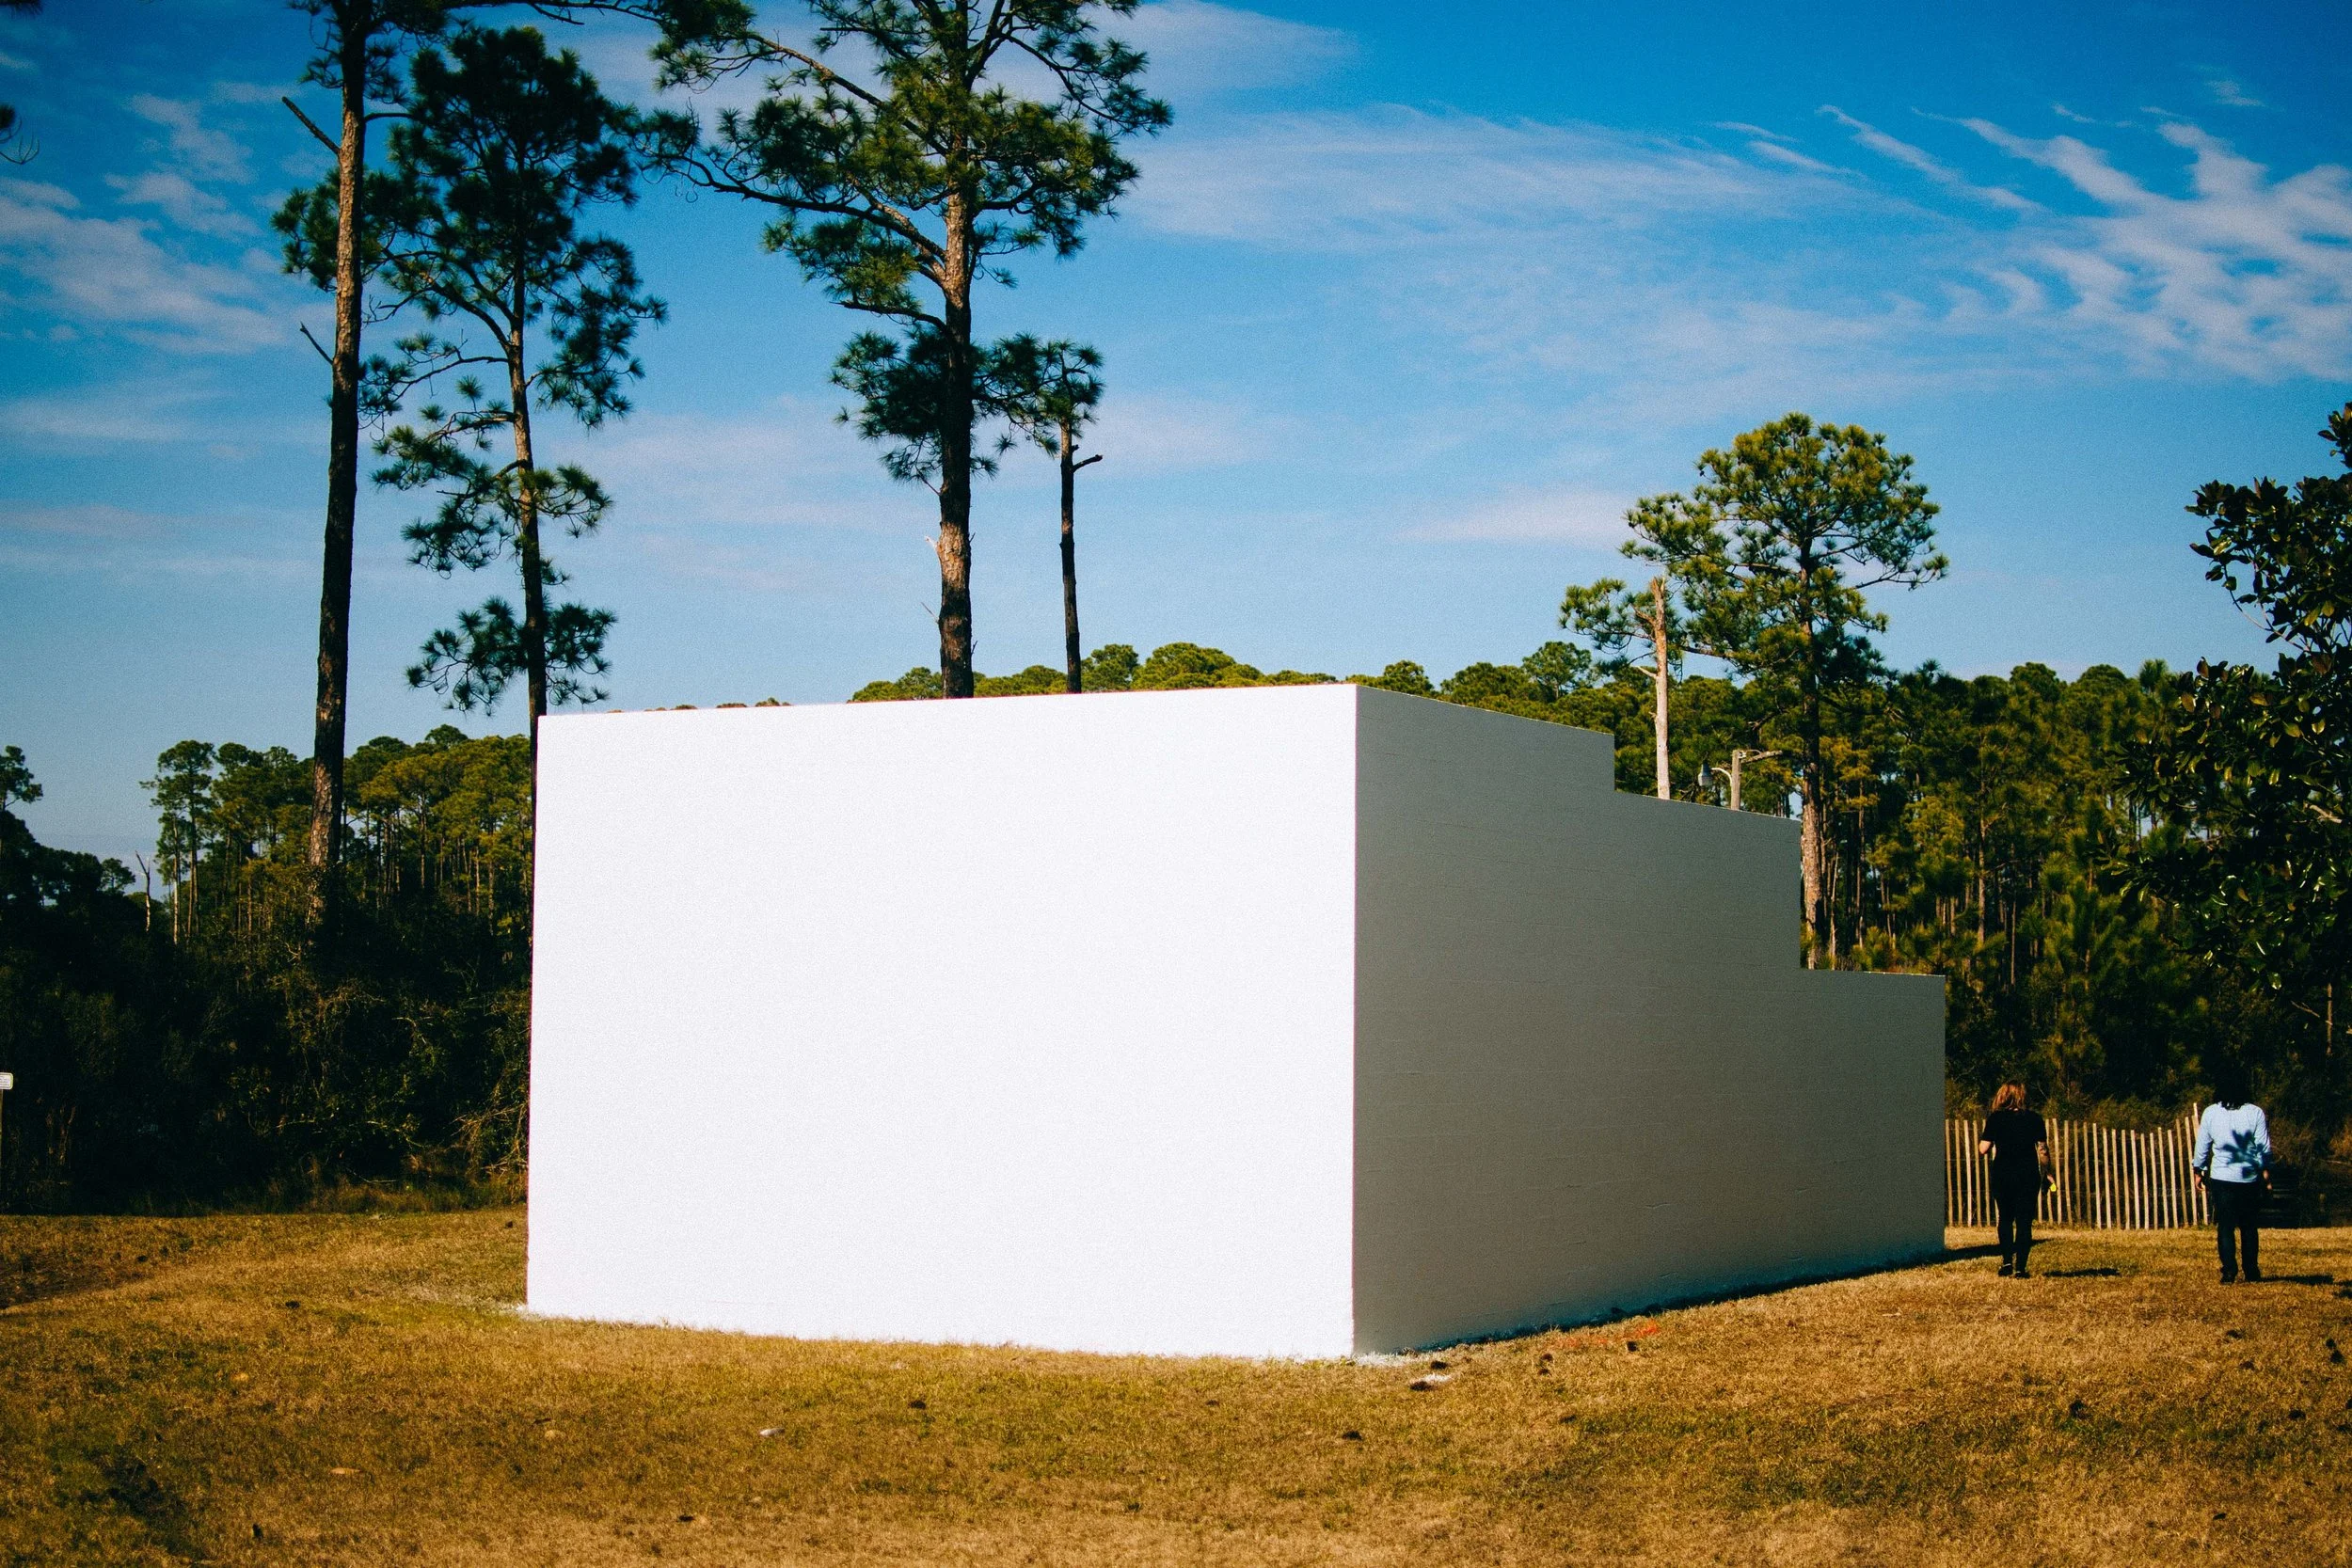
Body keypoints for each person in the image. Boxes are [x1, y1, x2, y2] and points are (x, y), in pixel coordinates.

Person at [2192, 1073, 2272, 1284]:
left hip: (2222, 1176)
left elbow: (2203, 1145)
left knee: (2225, 1226)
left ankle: (2229, 1270)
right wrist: (2266, 1174)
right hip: (2248, 1177)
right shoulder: (2255, 1113)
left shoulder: (2211, 1113)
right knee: (2249, 1225)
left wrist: (2198, 1169)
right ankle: (2251, 1269)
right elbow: (2263, 1147)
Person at [1978, 1084, 2049, 1277]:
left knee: (2006, 1218)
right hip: (2028, 1174)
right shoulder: (2035, 1119)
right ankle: (2021, 1268)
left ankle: (2007, 1262)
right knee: (2024, 1221)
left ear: (2003, 1097)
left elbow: (1983, 1149)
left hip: (2003, 1173)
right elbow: (2043, 1151)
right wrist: (2047, 1172)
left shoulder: (1996, 1118)